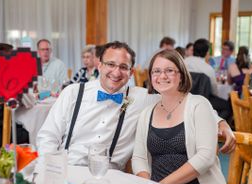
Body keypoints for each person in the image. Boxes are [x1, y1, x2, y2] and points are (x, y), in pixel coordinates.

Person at [36, 41, 236, 171]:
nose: (116, 72)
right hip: (67, 170)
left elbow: (185, 102)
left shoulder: (142, 97)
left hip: (112, 178)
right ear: (99, 66)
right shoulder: (72, 93)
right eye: (111, 64)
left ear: (131, 73)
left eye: (123, 67)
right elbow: (48, 136)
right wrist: (54, 171)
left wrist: (220, 122)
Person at [132, 49, 230, 184]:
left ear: (181, 75)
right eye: (156, 71)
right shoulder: (147, 113)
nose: (162, 76)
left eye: (169, 70)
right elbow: (139, 158)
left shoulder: (199, 104)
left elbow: (205, 157)